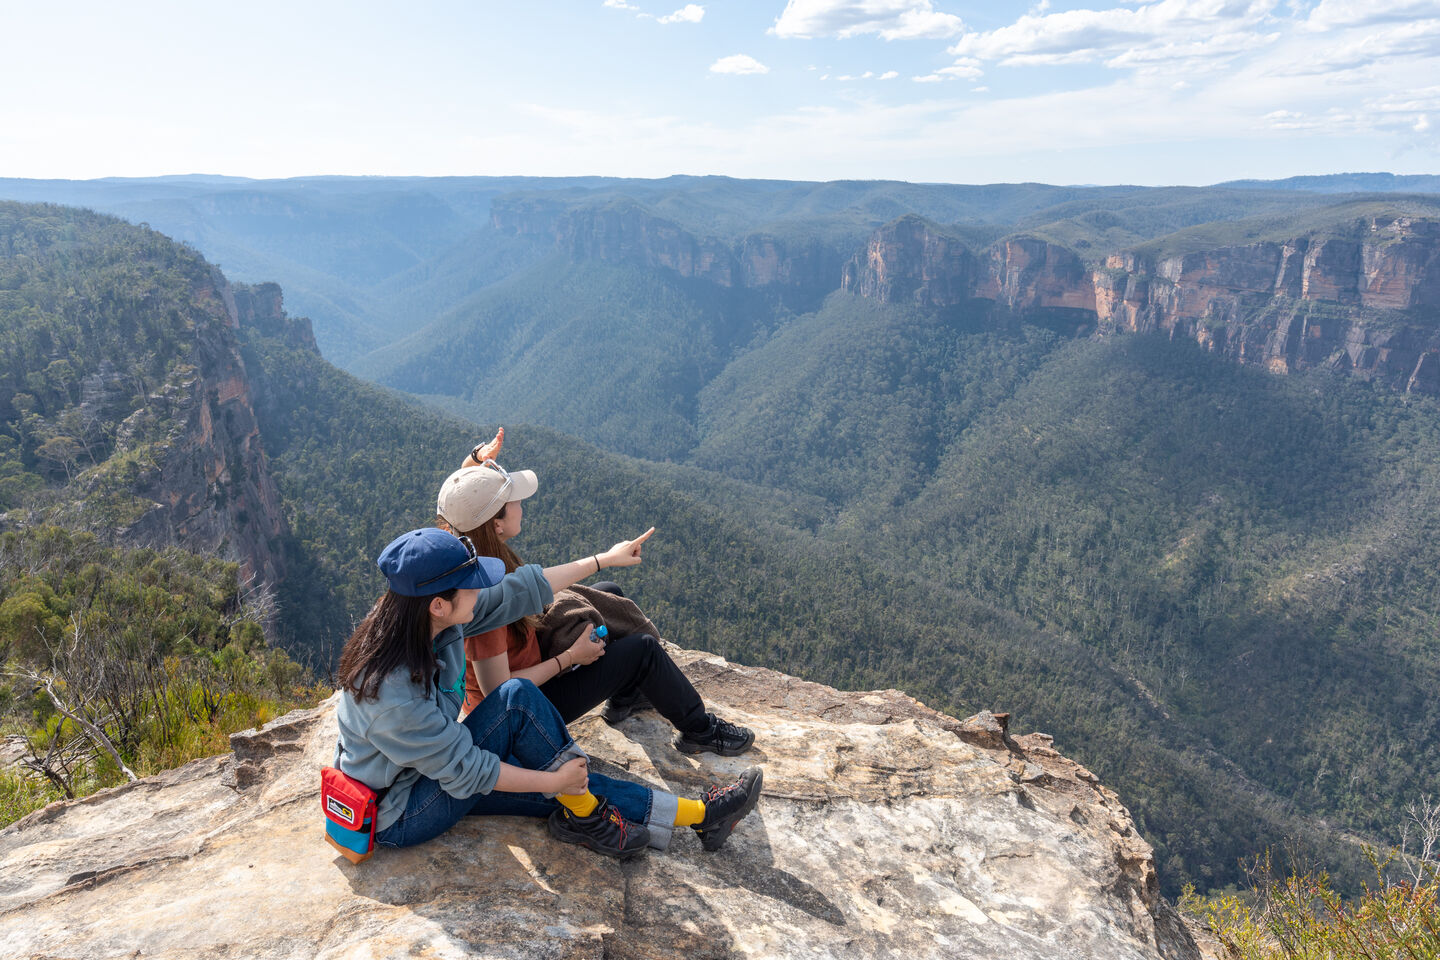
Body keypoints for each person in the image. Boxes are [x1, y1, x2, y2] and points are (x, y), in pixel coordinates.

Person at [332, 526, 763, 858]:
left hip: (431, 767)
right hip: (403, 810)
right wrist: (554, 779)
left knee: (559, 777)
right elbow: (467, 770)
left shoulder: (422, 618)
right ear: (438, 603)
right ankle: (692, 816)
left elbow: (520, 592)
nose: (480, 588)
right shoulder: (390, 694)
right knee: (553, 778)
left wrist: (602, 560)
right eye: (472, 582)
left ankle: (619, 815)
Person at [435, 439, 755, 758]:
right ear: (496, 524)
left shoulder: (460, 544)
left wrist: (476, 460)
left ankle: (625, 696)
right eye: (513, 501)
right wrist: (571, 657)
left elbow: (460, 501)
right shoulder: (482, 602)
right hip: (526, 712)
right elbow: (499, 694)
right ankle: (700, 731)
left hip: (527, 651)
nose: (521, 505)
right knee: (642, 651)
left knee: (608, 595)